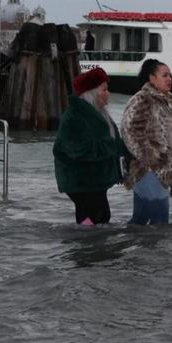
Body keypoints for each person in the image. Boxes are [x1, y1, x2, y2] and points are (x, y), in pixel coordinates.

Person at [53, 67, 128, 225]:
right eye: (104, 90)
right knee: (93, 217)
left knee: (101, 216)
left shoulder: (101, 114)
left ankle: (90, 246)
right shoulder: (75, 115)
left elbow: (116, 143)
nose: (108, 94)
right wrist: (109, 147)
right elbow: (77, 149)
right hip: (80, 180)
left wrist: (124, 163)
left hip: (95, 180)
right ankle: (85, 247)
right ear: (92, 92)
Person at [121, 59, 172, 225]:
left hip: (159, 172)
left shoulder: (166, 102)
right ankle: (155, 252)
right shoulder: (143, 99)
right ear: (152, 78)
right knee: (160, 224)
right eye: (164, 75)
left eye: (170, 75)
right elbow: (130, 130)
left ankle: (131, 250)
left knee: (139, 223)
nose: (169, 78)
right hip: (150, 172)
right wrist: (152, 159)